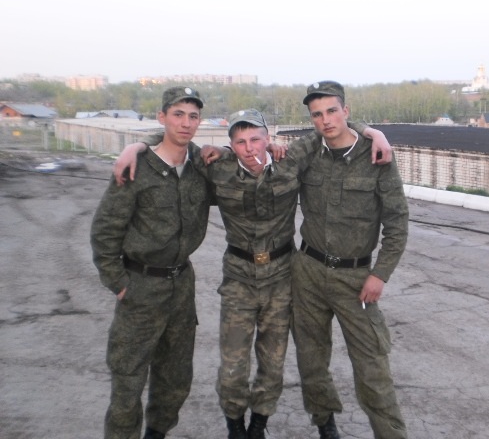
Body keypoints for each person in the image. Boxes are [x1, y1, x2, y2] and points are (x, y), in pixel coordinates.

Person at [112, 109, 392, 439]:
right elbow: (177, 140)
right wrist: (137, 146)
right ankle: (235, 425)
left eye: (256, 139)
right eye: (240, 142)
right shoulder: (218, 166)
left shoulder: (290, 161)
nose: (249, 148)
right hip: (239, 280)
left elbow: (329, 128)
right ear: (230, 144)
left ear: (267, 138)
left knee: (272, 364)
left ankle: (259, 424)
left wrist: (373, 132)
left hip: (281, 278)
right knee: (233, 366)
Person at [90, 86, 213, 439]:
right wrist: (118, 283)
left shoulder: (201, 165)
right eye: (178, 114)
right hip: (140, 285)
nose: (186, 123)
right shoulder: (137, 167)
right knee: (128, 378)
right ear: (162, 117)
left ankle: (157, 433)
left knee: (175, 377)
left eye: (193, 116)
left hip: (181, 286)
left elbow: (239, 155)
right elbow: (105, 230)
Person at [291, 81, 410, 439]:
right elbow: (256, 149)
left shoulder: (376, 155)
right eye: (317, 114)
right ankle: (325, 424)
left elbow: (397, 221)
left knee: (373, 368)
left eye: (331, 111)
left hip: (356, 278)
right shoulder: (308, 152)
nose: (325, 120)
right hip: (308, 272)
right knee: (311, 360)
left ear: (346, 111)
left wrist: (380, 274)